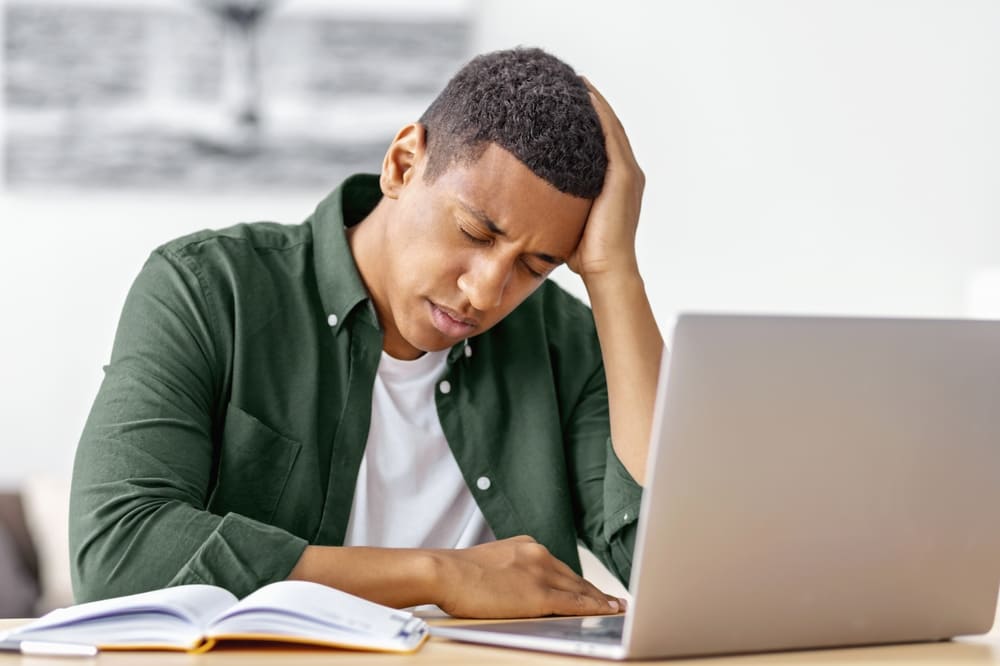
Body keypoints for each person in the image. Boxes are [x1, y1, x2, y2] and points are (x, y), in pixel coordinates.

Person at [69, 47, 664, 619]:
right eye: (476, 234)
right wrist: (440, 574)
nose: (487, 292)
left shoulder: (563, 339)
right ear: (403, 164)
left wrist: (616, 276)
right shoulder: (207, 289)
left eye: (535, 267)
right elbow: (117, 552)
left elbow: (666, 569)